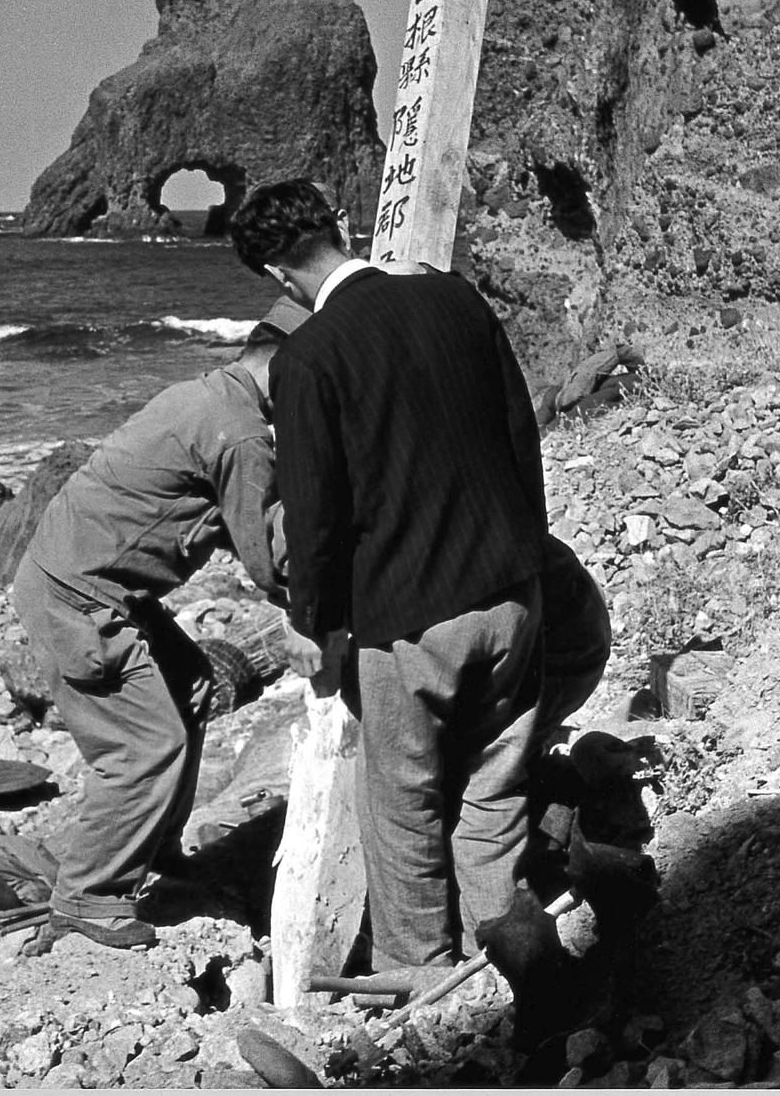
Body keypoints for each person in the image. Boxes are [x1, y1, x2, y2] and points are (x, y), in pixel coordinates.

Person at [230, 177, 557, 977]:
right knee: (494, 787)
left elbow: (315, 520)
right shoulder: (456, 301)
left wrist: (315, 625)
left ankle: (423, 978)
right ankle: (507, 951)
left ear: (276, 276)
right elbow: (522, 440)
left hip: (409, 616)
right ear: (340, 226)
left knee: (402, 805)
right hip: (510, 586)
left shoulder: (308, 358)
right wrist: (529, 556)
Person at [11, 296, 305, 948]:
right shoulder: (242, 435)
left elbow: (221, 517)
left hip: (85, 579)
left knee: (189, 684)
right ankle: (89, 894)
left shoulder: (208, 396)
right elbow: (263, 556)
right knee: (144, 747)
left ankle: (153, 846)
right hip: (80, 599)